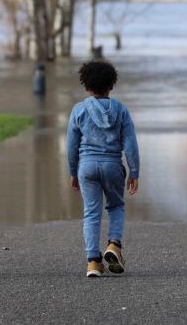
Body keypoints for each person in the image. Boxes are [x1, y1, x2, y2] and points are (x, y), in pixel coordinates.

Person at [66, 60, 140, 277]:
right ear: (112, 85)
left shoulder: (79, 110)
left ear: (86, 85)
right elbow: (130, 144)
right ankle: (114, 244)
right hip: (112, 165)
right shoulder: (120, 109)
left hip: (86, 166)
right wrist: (134, 171)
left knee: (91, 213)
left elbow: (71, 145)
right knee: (116, 205)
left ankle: (93, 262)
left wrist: (73, 172)